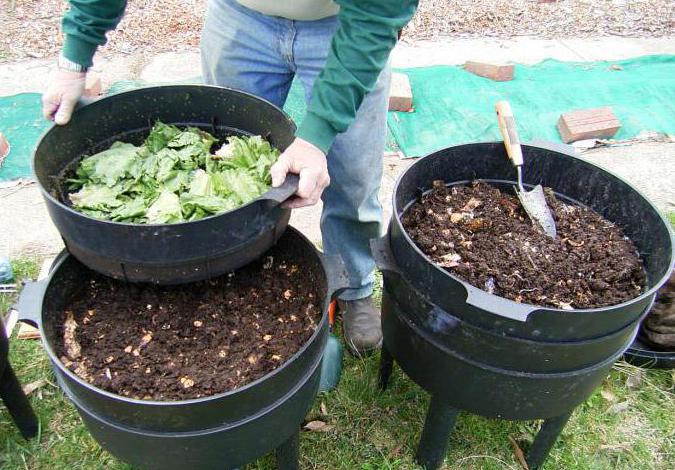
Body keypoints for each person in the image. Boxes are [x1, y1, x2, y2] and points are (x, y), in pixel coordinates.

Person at [42, 0, 418, 356]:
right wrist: (73, 59)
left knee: (352, 179)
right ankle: (237, 280)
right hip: (241, 18)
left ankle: (354, 287)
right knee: (229, 170)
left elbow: (377, 14)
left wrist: (316, 136)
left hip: (345, 25)